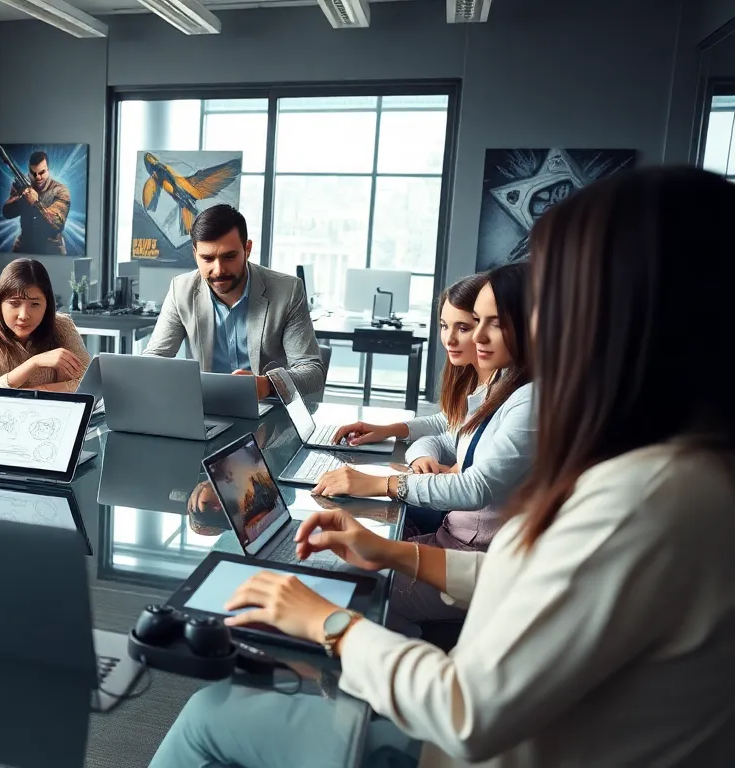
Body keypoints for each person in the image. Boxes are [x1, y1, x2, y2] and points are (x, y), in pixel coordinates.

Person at [189, 167, 735, 766]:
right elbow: (535, 577)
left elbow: (464, 711)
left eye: (554, 298)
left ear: (624, 314)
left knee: (206, 716)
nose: (528, 327)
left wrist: (330, 624)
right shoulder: (680, 470)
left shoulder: (648, 497)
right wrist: (391, 551)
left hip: (452, 748)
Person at [328, 272, 491, 534]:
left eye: (463, 327)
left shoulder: (508, 397)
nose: (449, 339)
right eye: (444, 325)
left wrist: (385, 483)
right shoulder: (472, 377)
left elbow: (472, 485)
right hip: (451, 515)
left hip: (462, 529)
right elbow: (447, 428)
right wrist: (393, 435)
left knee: (352, 516)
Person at [143, 204, 324, 398]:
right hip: (206, 408)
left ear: (247, 249)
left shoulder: (287, 290)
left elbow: (313, 372)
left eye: (229, 256)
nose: (219, 269)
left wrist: (267, 385)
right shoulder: (181, 290)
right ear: (195, 254)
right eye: (207, 258)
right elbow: (155, 359)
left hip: (268, 408)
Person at [0, 258, 90, 391]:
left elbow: (88, 382)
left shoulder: (62, 325)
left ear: (47, 305)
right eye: (14, 303)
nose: (24, 315)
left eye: (35, 304)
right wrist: (34, 362)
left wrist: (38, 390)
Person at [2, 150, 71, 255]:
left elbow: (57, 223)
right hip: (25, 245)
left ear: (48, 169)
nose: (38, 177)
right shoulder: (22, 185)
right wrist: (22, 200)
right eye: (33, 173)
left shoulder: (61, 190)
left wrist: (35, 203)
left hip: (51, 247)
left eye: (42, 172)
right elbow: (7, 212)